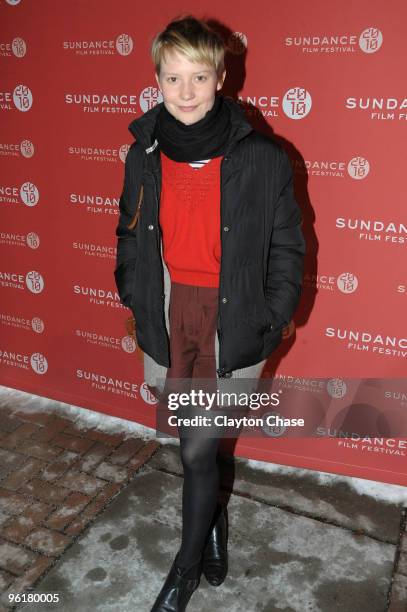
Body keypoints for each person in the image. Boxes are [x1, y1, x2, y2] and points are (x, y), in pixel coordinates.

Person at [114, 15, 306, 612]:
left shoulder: (264, 158)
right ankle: (215, 521)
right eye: (174, 78)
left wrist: (270, 318)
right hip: (171, 315)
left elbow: (288, 246)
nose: (188, 91)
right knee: (190, 445)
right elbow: (128, 231)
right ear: (158, 79)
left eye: (200, 76)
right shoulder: (142, 153)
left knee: (198, 450)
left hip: (233, 315)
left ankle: (185, 567)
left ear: (222, 77)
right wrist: (132, 288)